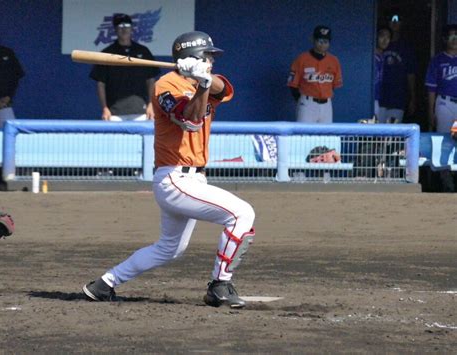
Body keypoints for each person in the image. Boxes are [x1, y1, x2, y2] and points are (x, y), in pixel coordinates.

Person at [83, 31, 256, 308]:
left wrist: (204, 80)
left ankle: (104, 284)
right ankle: (220, 285)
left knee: (169, 248)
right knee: (242, 214)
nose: (212, 60)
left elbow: (223, 88)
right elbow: (190, 119)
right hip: (175, 178)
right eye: (208, 56)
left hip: (194, 179)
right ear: (194, 56)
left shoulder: (206, 81)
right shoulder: (166, 84)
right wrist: (200, 84)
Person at [90, 14, 160, 121]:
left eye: (127, 25)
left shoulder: (143, 51)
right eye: (120, 26)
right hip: (114, 113)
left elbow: (151, 80)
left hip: (141, 112)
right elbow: (101, 84)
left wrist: (151, 104)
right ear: (115, 29)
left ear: (132, 28)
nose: (124, 29)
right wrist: (104, 108)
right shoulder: (107, 53)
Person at [287, 25, 343, 123]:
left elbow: (333, 85)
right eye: (320, 41)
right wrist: (302, 100)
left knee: (326, 137)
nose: (322, 44)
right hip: (308, 103)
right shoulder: (301, 59)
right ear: (313, 39)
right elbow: (293, 86)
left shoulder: (334, 61)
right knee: (304, 136)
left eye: (326, 42)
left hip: (327, 104)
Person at [379, 10, 416, 123]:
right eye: (392, 19)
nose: (395, 22)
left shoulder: (406, 47)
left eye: (398, 19)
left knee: (392, 138)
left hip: (397, 99)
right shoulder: (378, 45)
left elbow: (411, 75)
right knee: (376, 136)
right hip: (378, 99)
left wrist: (413, 98)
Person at [425, 24, 457, 133]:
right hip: (444, 103)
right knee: (444, 138)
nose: (454, 39)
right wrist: (430, 111)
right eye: (451, 36)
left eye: (456, 36)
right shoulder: (437, 60)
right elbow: (431, 88)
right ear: (445, 39)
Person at [374, 27, 391, 122]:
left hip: (379, 99)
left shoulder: (384, 57)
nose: (385, 40)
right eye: (382, 36)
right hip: (370, 98)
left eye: (388, 37)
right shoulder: (370, 55)